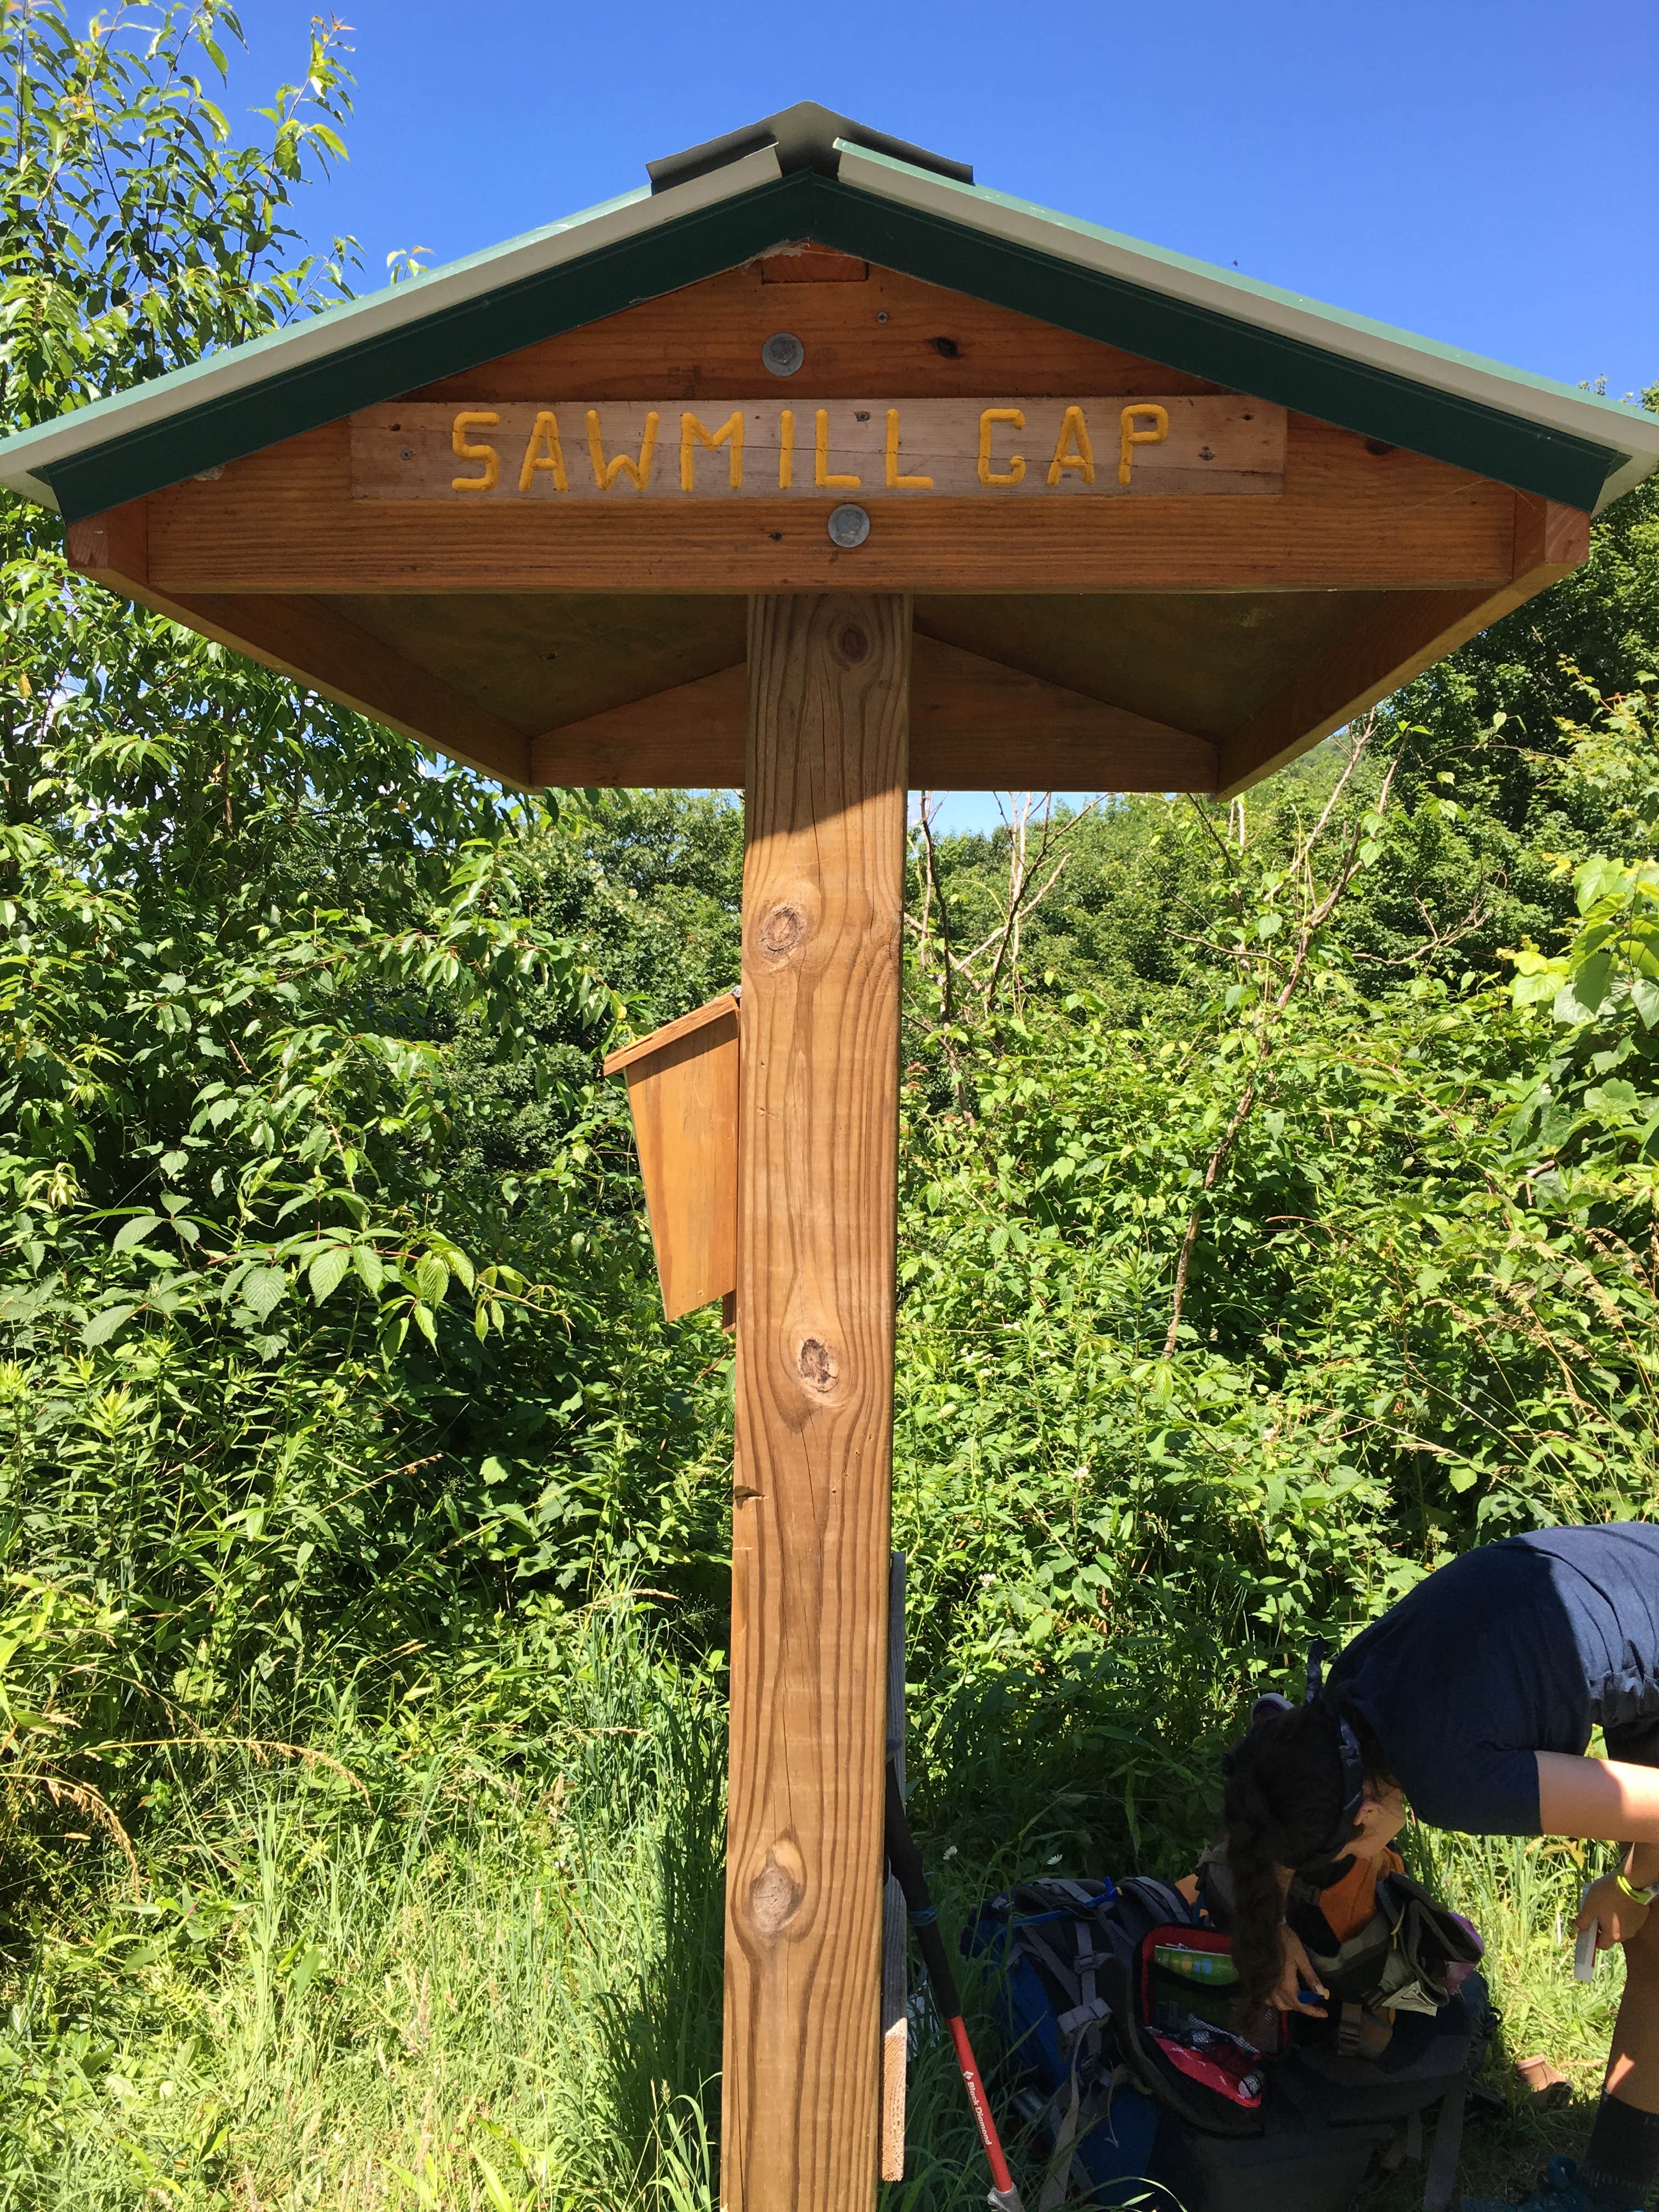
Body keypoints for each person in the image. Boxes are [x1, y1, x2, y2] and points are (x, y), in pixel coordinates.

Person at [1221, 1522, 1659, 2212]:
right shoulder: (1346, 1697)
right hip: (1633, 1579)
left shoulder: (1451, 1778)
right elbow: (1272, 1798)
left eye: (1352, 1857)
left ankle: (1607, 2200)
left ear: (1362, 1817)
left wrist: (1633, 1884)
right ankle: (1612, 2193)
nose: (1375, 1862)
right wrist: (1273, 1923)